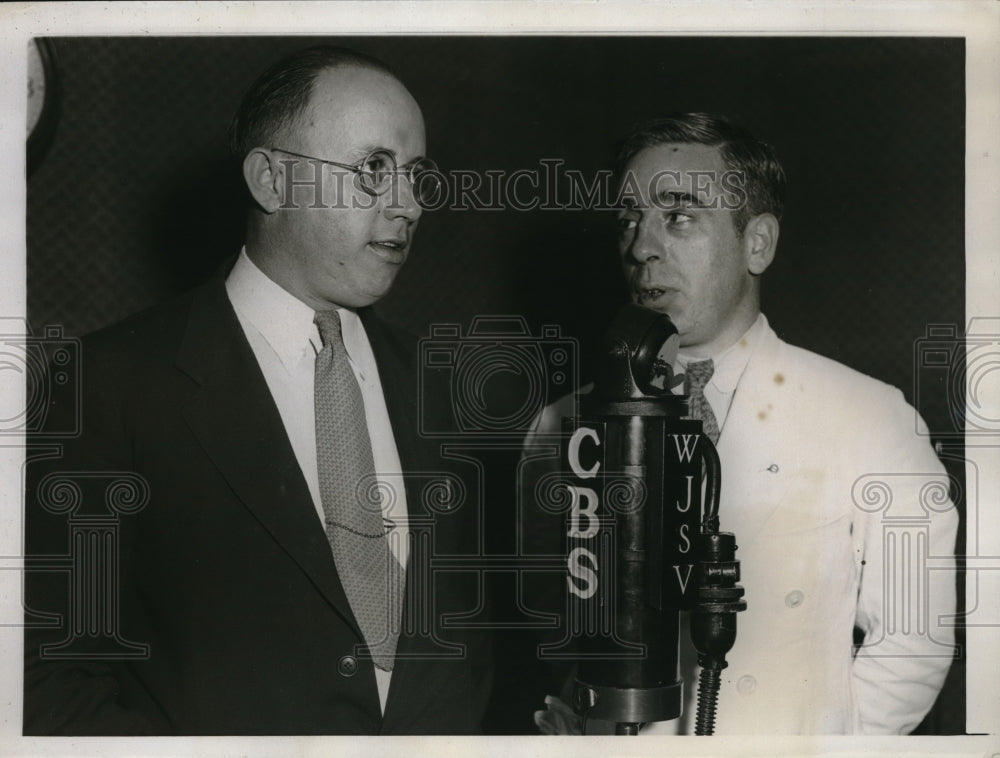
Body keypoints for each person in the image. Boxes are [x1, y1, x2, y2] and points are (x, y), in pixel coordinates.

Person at [23, 45, 490, 735]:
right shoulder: (105, 384)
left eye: (417, 177)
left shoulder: (448, 388)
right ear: (272, 181)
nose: (409, 205)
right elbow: (47, 676)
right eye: (373, 171)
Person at [530, 113, 958, 734]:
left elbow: (913, 645)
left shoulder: (873, 418)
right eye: (629, 219)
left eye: (678, 216)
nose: (642, 246)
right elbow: (548, 618)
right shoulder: (559, 426)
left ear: (757, 243)